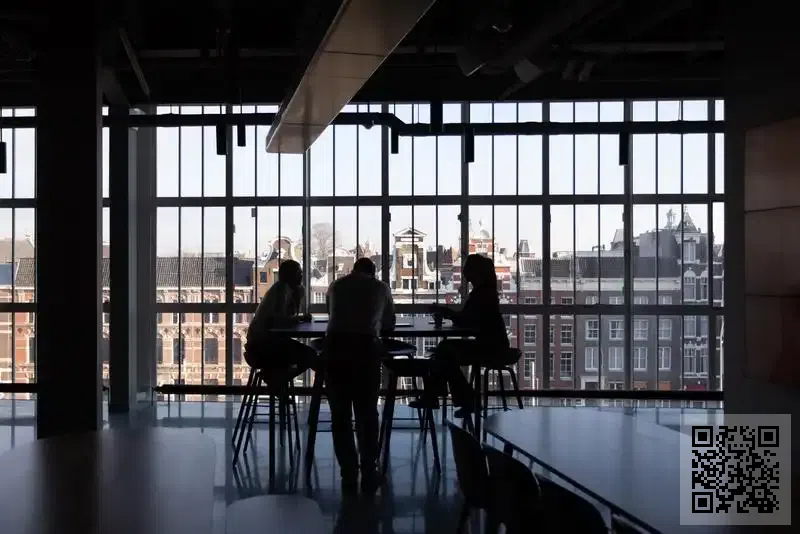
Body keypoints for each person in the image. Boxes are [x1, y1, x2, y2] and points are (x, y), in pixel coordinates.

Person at [324, 257, 395, 495]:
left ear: (353, 270)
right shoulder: (380, 288)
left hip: (335, 350)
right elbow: (389, 323)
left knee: (340, 415)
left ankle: (348, 471)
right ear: (373, 273)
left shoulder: (336, 286)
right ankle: (369, 469)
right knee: (367, 413)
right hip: (365, 350)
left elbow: (331, 315)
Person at [410, 254, 509, 417]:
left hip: (490, 347)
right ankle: (459, 398)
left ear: (474, 272)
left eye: (467, 268)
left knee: (445, 352)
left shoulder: (480, 294)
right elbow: (469, 320)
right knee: (445, 353)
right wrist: (448, 313)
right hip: (493, 344)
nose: (464, 272)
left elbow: (466, 319)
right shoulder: (485, 292)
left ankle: (443, 397)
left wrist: (444, 311)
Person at [245, 259, 315, 378]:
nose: (301, 276)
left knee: (307, 355)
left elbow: (284, 318)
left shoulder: (282, 289)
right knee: (311, 355)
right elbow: (279, 321)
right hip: (264, 346)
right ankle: (280, 379)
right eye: (298, 273)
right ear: (290, 275)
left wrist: (297, 299)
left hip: (260, 343)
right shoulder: (281, 290)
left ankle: (279, 379)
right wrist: (299, 318)